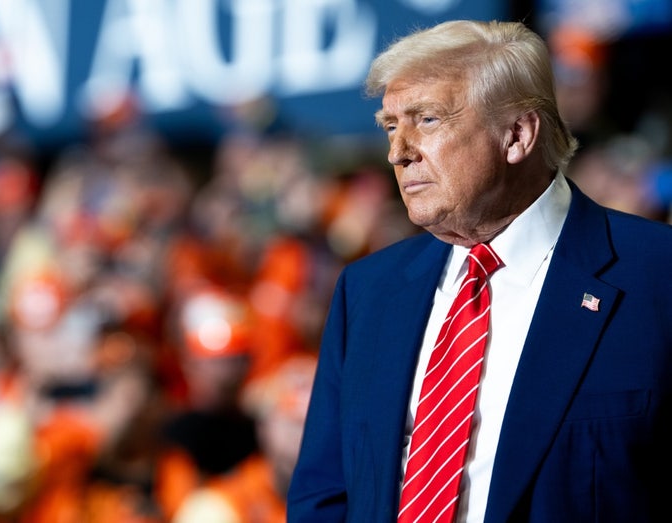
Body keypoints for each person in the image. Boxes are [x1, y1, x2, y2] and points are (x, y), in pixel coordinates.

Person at [287, 19, 672, 522]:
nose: (397, 152)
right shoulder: (367, 290)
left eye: (426, 119)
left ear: (517, 135)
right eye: (390, 126)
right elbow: (324, 496)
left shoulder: (656, 274)